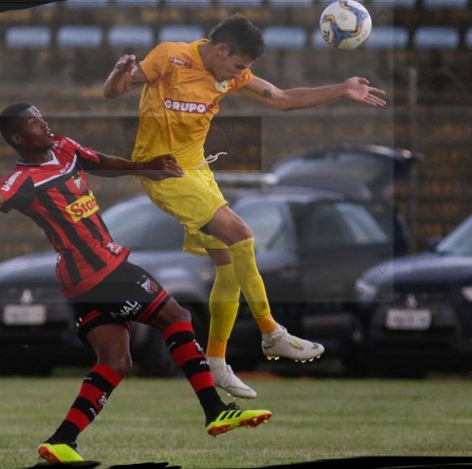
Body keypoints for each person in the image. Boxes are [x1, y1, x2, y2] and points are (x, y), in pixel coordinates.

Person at [102, 14, 387, 399]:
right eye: (239, 65)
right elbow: (114, 92)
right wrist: (118, 73)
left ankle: (216, 362)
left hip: (197, 172)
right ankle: (271, 332)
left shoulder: (230, 74)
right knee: (243, 234)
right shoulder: (170, 57)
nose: (241, 74)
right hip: (161, 171)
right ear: (221, 50)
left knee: (229, 265)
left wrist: (342, 88)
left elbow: (283, 99)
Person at [0, 103, 273, 464]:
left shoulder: (65, 148)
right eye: (34, 122)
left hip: (80, 278)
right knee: (176, 316)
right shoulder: (23, 180)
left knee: (115, 361)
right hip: (102, 271)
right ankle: (215, 409)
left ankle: (61, 441)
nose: (43, 122)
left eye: (41, 116)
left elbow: (102, 162)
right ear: (19, 138)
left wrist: (147, 167)